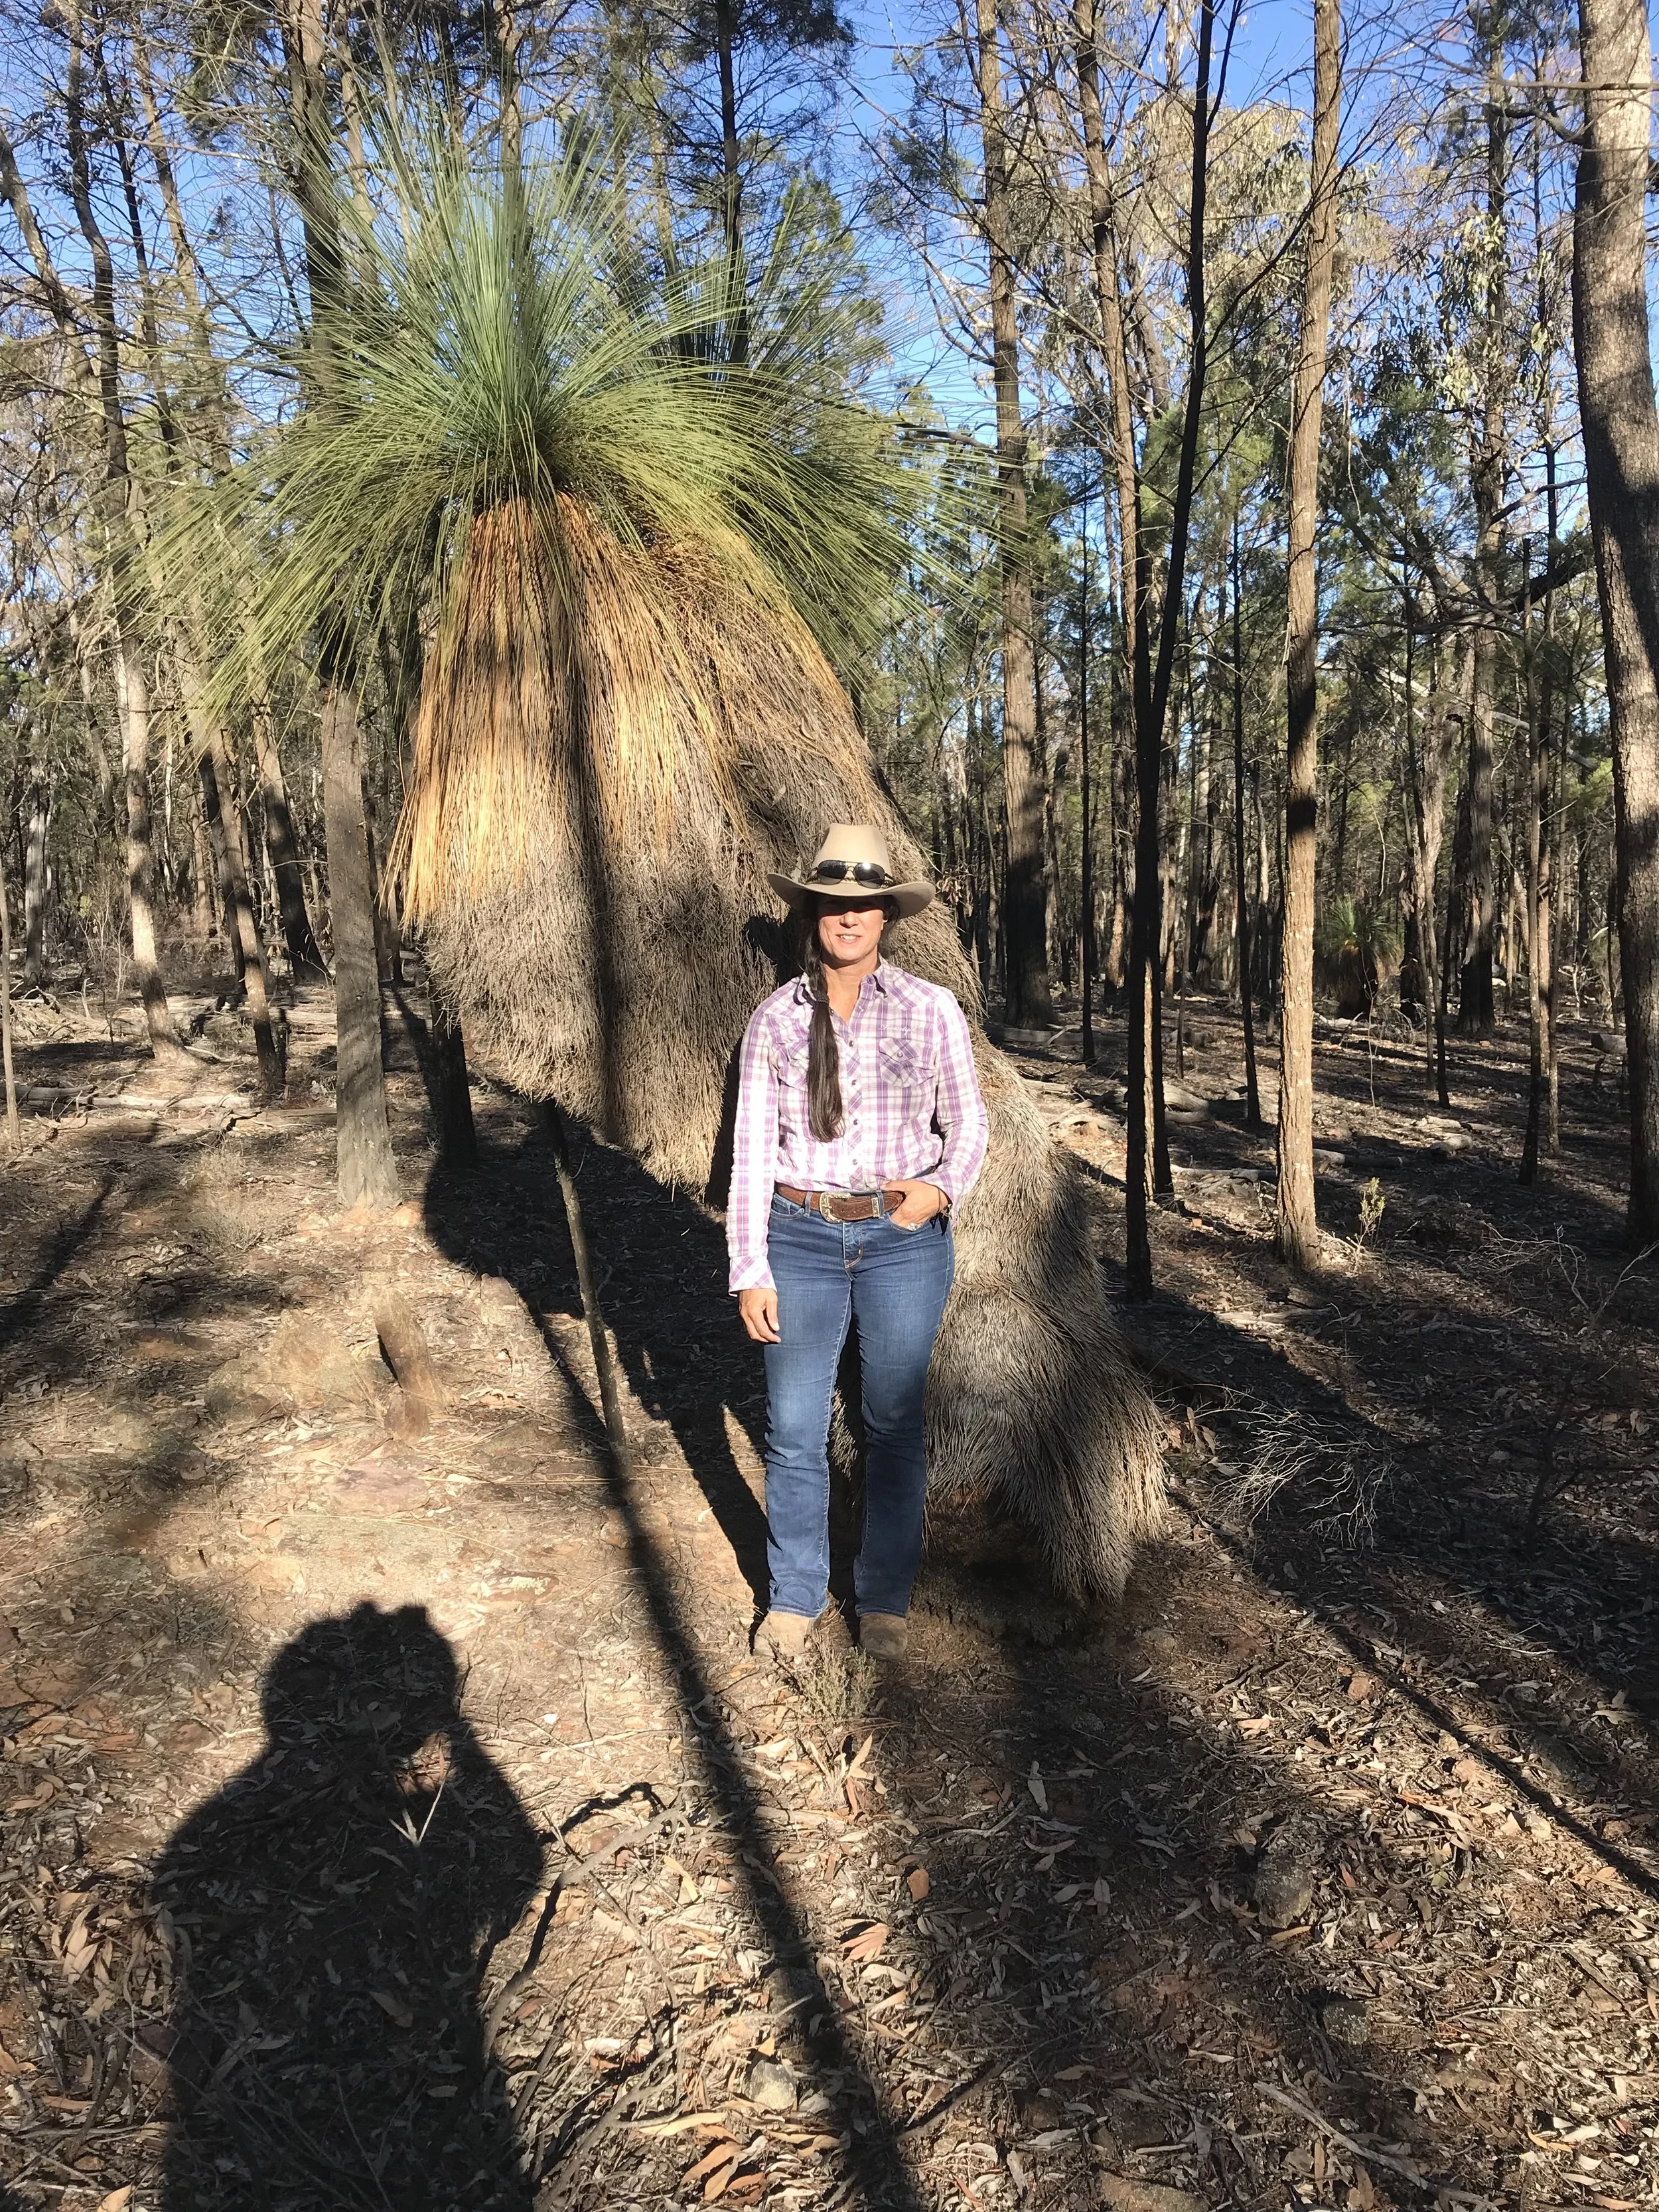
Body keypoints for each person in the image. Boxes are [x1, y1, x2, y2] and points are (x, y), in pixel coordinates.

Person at [728, 824, 989, 1666]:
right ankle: (794, 1596)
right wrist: (749, 1265)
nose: (848, 917)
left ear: (886, 916)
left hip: (900, 1241)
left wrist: (939, 1191)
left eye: (864, 904)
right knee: (794, 1428)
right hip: (798, 1236)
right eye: (832, 904)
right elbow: (750, 1153)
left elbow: (969, 1122)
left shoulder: (930, 1008)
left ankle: (882, 1598)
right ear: (813, 914)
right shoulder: (774, 1020)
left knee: (893, 1424)